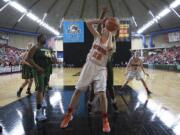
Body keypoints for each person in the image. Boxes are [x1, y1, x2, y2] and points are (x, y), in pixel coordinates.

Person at [60, 18, 119, 133]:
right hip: (89, 65)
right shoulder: (96, 37)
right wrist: (101, 20)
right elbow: (87, 22)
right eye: (103, 28)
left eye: (106, 28)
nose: (103, 29)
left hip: (101, 69)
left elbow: (110, 48)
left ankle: (105, 120)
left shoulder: (111, 43)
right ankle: (68, 114)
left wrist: (110, 32)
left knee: (102, 94)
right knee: (77, 90)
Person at [27, 34, 52, 121]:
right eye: (43, 37)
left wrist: (55, 59)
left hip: (47, 71)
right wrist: (37, 67)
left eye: (45, 37)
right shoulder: (35, 47)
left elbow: (51, 59)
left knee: (44, 87)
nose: (45, 38)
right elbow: (28, 58)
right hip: (38, 71)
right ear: (39, 39)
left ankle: (43, 100)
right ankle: (38, 113)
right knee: (40, 89)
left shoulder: (47, 48)